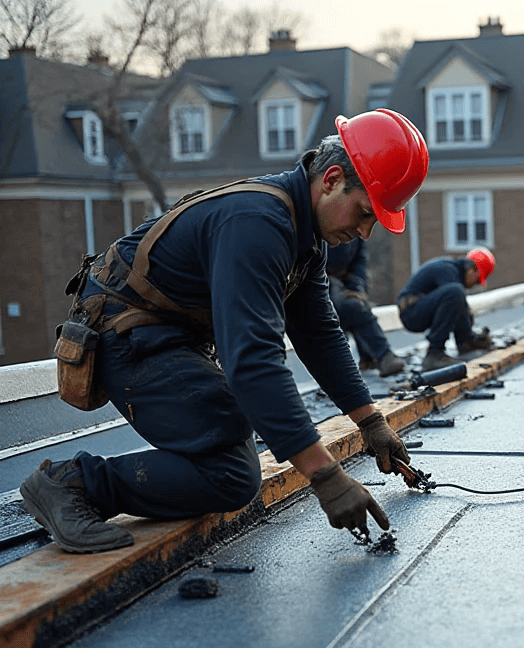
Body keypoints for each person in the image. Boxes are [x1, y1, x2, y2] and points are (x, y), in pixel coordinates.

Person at [20, 109, 430, 553]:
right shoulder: (259, 224)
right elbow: (252, 363)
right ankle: (72, 482)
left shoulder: (303, 235)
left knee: (232, 441)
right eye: (366, 212)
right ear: (331, 179)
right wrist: (326, 477)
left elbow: (319, 333)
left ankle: (94, 480)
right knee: (231, 474)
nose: (366, 232)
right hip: (128, 337)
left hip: (172, 339)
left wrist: (369, 421)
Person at [397, 249, 495, 372]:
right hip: (411, 313)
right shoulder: (448, 270)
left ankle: (465, 343)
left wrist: (472, 339)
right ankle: (434, 354)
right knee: (455, 292)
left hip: (418, 308)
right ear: (471, 269)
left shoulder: (453, 272)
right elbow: (455, 302)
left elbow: (459, 309)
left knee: (456, 294)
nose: (476, 284)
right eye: (477, 279)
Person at [325, 237, 405, 377]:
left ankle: (369, 358)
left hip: (345, 281)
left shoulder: (357, 234)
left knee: (357, 302)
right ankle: (382, 355)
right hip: (319, 283)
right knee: (349, 307)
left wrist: (357, 289)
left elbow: (359, 263)